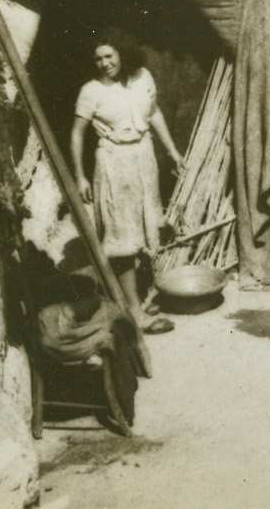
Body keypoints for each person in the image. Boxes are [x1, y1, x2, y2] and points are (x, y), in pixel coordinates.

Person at [71, 30, 183, 335]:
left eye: (109, 56)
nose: (105, 63)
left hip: (143, 157)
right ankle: (133, 310)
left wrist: (172, 152)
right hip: (113, 162)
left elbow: (155, 113)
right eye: (98, 59)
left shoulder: (143, 77)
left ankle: (142, 298)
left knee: (145, 225)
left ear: (121, 52)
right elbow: (77, 134)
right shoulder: (90, 91)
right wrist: (80, 176)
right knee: (121, 234)